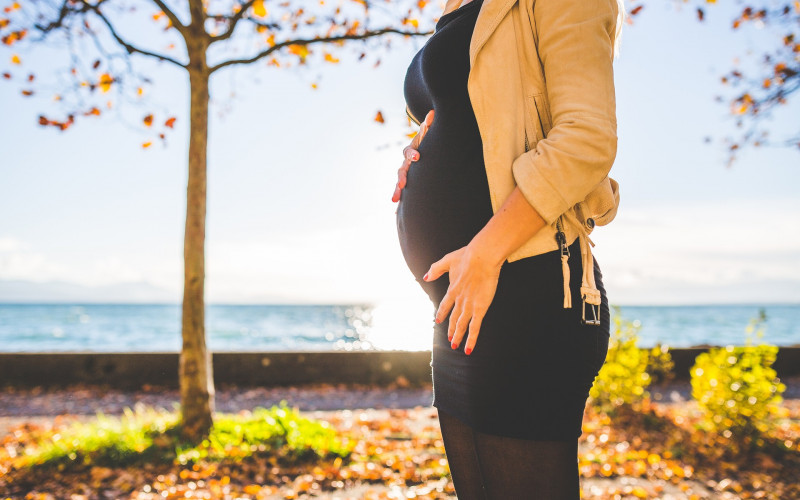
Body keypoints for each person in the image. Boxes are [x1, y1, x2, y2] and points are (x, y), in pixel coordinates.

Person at [392, 0, 625, 497]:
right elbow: (473, 117)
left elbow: (586, 138)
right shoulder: (456, 6)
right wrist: (417, 148)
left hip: (527, 289)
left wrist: (485, 252)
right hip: (460, 304)